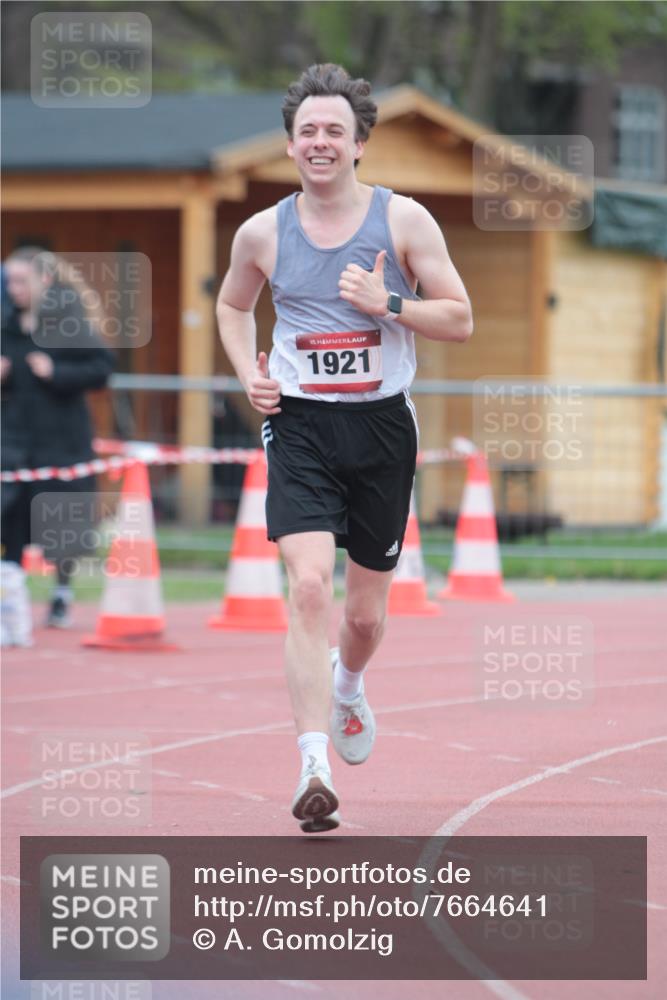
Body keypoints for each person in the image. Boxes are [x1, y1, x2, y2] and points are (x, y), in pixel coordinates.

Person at [217, 64, 472, 832]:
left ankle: (350, 686)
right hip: (299, 423)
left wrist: (386, 302)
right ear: (289, 146)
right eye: (307, 132)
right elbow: (232, 306)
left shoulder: (404, 222)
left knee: (362, 617)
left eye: (334, 131)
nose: (320, 143)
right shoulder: (261, 232)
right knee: (306, 587)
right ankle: (311, 763)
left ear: (359, 142)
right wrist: (247, 374)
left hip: (381, 427)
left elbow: (458, 318)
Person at [1, 248, 115, 639]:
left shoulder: (67, 322)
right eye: (9, 281)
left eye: (20, 281)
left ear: (43, 281)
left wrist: (57, 371)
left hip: (62, 440)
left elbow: (102, 368)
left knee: (63, 522)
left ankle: (61, 594)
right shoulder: (5, 323)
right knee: (10, 514)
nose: (13, 289)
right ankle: (10, 595)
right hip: (14, 438)